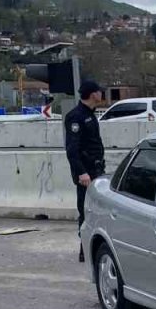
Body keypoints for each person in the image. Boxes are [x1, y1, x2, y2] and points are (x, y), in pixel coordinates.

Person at [65, 81, 106, 262]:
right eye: (99, 92)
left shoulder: (90, 114)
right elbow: (72, 150)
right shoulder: (76, 117)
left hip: (96, 170)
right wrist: (82, 172)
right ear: (92, 94)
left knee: (97, 211)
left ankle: (92, 248)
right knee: (86, 210)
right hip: (86, 174)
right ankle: (84, 250)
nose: (101, 94)